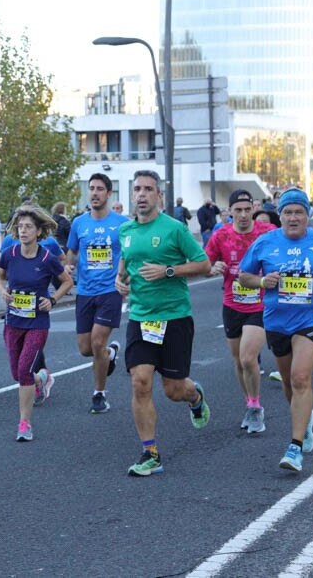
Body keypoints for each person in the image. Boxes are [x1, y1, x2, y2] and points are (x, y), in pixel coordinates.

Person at [115, 170, 212, 477]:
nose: (142, 194)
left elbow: (205, 264)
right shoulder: (126, 230)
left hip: (174, 317)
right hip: (141, 317)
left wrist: (168, 270)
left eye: (148, 189)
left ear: (159, 196)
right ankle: (150, 453)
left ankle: (194, 396)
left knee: (173, 390)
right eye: (138, 189)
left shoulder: (174, 229)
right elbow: (126, 265)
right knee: (140, 381)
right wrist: (120, 281)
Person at [238, 188, 313, 472]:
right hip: (276, 321)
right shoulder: (264, 242)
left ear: (307, 216)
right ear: (280, 215)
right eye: (288, 212)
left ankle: (294, 447)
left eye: (299, 212)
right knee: (287, 382)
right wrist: (262, 283)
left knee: (300, 378)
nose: (293, 218)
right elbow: (244, 276)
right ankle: (305, 419)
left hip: (310, 318)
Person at [0, 205, 72, 440]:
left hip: (37, 323)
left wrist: (53, 299)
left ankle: (24, 424)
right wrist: (3, 291)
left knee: (24, 369)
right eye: (20, 227)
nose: (23, 231)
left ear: (39, 232)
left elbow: (67, 282)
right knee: (17, 375)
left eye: (28, 227)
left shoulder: (47, 258)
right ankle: (43, 378)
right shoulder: (10, 254)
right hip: (13, 321)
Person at [204, 189, 276, 434]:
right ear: (230, 212)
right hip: (232, 303)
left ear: (253, 209)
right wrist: (213, 267)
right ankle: (250, 403)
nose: (244, 215)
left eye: (248, 209)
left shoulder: (267, 233)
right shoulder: (221, 235)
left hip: (260, 304)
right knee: (238, 361)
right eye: (238, 210)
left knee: (248, 358)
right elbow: (204, 264)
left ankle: (256, 407)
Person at [65, 174, 127, 414]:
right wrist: (68, 267)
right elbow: (71, 251)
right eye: (91, 188)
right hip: (85, 291)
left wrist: (125, 279)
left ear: (109, 194)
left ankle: (99, 394)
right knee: (85, 349)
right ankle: (110, 354)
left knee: (97, 341)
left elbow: (129, 252)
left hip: (110, 290)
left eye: (100, 189)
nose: (94, 193)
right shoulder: (79, 223)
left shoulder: (122, 223)